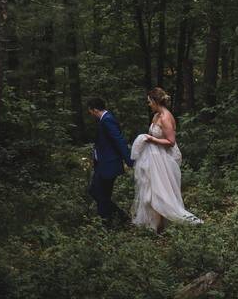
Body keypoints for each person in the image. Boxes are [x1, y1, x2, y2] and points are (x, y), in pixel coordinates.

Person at [130, 87, 203, 232]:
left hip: (166, 157)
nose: (148, 104)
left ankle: (175, 222)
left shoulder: (165, 118)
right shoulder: (156, 116)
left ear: (156, 101)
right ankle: (156, 226)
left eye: (150, 101)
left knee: (163, 192)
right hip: (155, 157)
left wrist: (150, 139)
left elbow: (170, 142)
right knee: (152, 191)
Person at [86, 97, 135, 227]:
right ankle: (119, 218)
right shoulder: (105, 120)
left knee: (100, 194)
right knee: (97, 192)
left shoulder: (107, 120)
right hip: (103, 164)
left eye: (90, 111)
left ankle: (108, 224)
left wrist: (129, 160)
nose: (90, 114)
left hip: (108, 165)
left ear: (94, 110)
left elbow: (119, 140)